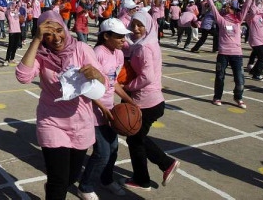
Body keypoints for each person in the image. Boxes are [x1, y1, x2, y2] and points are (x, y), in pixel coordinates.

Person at [15, 11, 106, 200]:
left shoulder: (81, 48)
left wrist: (95, 74)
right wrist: (36, 40)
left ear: (65, 28)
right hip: (52, 121)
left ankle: (52, 187)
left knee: (71, 177)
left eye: (59, 30)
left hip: (81, 122)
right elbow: (22, 77)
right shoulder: (41, 56)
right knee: (59, 179)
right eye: (48, 34)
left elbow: (103, 81)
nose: (56, 38)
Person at [121, 11, 180, 191]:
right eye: (133, 24)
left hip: (147, 101)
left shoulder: (145, 47)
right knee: (135, 139)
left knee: (135, 137)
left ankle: (165, 163)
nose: (136, 28)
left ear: (148, 26)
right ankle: (142, 178)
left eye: (140, 25)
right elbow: (131, 48)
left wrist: (128, 87)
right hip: (149, 99)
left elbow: (147, 76)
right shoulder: (147, 42)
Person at [78, 18, 135, 199]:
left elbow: (113, 82)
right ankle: (85, 187)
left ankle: (106, 179)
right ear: (106, 36)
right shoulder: (97, 53)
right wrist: (102, 108)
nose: (123, 40)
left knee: (113, 149)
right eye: (119, 36)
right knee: (102, 153)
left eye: (124, 36)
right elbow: (87, 87)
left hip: (111, 109)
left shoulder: (118, 54)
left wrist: (129, 101)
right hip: (95, 110)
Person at [204, 0, 254, 109]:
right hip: (223, 54)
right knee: (220, 77)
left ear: (234, 10)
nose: (227, 7)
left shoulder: (238, 20)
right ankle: (217, 97)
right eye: (226, 6)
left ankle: (238, 97)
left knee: (240, 79)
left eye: (230, 7)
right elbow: (213, 7)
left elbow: (247, 6)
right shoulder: (221, 20)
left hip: (237, 54)